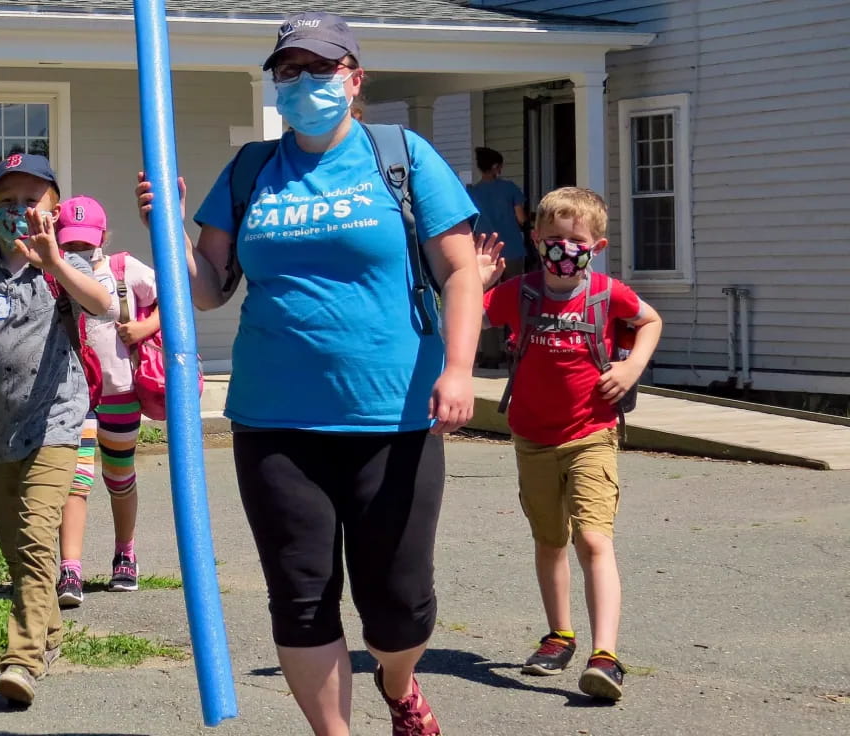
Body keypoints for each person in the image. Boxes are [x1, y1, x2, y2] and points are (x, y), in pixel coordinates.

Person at [136, 12, 482, 736]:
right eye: (287, 70)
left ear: (354, 79)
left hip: (393, 411)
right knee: (300, 596)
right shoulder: (252, 170)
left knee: (397, 604)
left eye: (318, 68)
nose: (301, 83)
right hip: (274, 415)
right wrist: (166, 220)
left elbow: (460, 273)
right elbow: (206, 286)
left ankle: (398, 678)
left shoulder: (402, 156)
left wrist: (457, 369)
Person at [0, 153, 110, 705]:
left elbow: (103, 306)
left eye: (32, 201)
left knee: (36, 539)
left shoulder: (66, 264)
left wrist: (54, 261)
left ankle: (22, 659)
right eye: (7, 202)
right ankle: (50, 633)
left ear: (54, 210)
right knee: (14, 546)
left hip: (56, 419)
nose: (20, 211)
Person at [479, 187, 662, 701]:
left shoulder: (607, 292)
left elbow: (649, 321)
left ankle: (605, 655)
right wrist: (475, 285)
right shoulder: (520, 292)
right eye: (553, 238)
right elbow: (466, 326)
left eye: (575, 240)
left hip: (592, 435)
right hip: (532, 438)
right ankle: (559, 635)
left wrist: (630, 367)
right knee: (550, 541)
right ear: (536, 240)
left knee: (593, 539)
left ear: (595, 246)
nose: (564, 247)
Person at [55, 195, 161, 607]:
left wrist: (144, 326)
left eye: (86, 240)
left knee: (119, 477)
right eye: (71, 241)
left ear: (103, 235)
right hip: (72, 395)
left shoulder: (123, 268)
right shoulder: (55, 271)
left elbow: (174, 297)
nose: (79, 248)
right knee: (74, 481)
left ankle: (125, 553)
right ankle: (71, 568)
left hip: (119, 392)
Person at [468, 147, 528, 368]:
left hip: (485, 254)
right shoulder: (509, 188)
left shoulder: (472, 192)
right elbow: (521, 218)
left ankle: (490, 354)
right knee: (517, 300)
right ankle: (516, 350)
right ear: (495, 167)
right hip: (511, 250)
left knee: (487, 303)